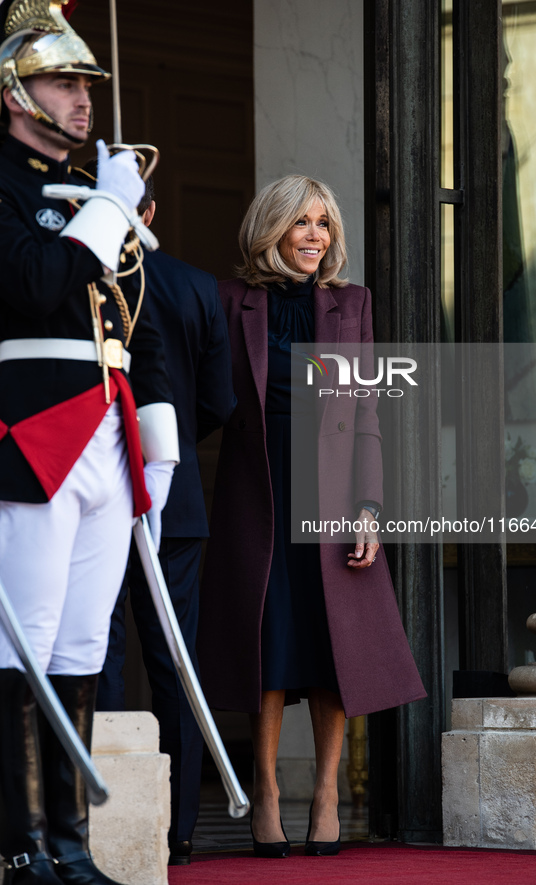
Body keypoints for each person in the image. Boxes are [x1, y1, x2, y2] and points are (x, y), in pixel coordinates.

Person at [0, 2, 178, 883]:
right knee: (24, 641)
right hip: (32, 427)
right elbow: (34, 287)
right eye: (64, 82)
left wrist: (159, 444)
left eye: (84, 84)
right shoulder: (2, 182)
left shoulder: (95, 188)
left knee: (81, 646)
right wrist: (106, 211)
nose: (81, 99)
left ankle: (71, 844)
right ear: (13, 90)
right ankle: (21, 843)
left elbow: (133, 321)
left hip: (107, 430)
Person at [196, 174, 426, 858]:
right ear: (272, 228)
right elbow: (207, 396)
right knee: (268, 644)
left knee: (332, 648)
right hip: (256, 490)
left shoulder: (350, 304)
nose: (315, 236)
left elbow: (365, 417)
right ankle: (263, 792)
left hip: (331, 495)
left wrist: (369, 506)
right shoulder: (228, 300)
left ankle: (327, 794)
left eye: (323, 224)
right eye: (302, 223)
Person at [95, 177, 236, 866]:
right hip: (173, 499)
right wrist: (166, 457)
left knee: (99, 652)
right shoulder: (194, 284)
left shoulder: (80, 276)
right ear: (151, 214)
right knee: (173, 660)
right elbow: (216, 400)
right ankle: (177, 828)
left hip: (89, 491)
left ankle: (109, 817)